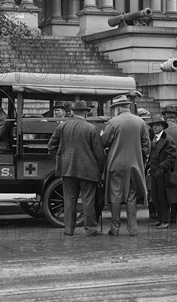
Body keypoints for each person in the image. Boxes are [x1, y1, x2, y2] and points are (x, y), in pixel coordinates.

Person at [48, 100, 106, 237]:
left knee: (69, 201)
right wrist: (101, 169)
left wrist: (59, 160)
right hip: (88, 170)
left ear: (73, 112)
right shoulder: (91, 128)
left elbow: (51, 146)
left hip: (67, 169)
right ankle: (90, 229)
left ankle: (69, 229)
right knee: (88, 201)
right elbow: (99, 153)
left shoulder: (63, 126)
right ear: (86, 113)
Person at [101, 94, 150, 236]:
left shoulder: (113, 122)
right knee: (131, 196)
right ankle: (132, 229)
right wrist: (141, 158)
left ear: (117, 108)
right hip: (134, 164)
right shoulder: (140, 122)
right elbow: (146, 145)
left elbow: (105, 142)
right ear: (128, 106)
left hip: (116, 163)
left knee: (115, 195)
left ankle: (115, 228)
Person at [146, 114, 177, 229]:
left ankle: (165, 220)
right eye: (153, 125)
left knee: (163, 198)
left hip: (163, 174)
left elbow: (172, 157)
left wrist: (161, 167)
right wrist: (149, 167)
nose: (155, 127)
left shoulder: (168, 140)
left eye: (158, 125)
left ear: (163, 126)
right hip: (154, 173)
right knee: (155, 197)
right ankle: (159, 219)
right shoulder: (153, 139)